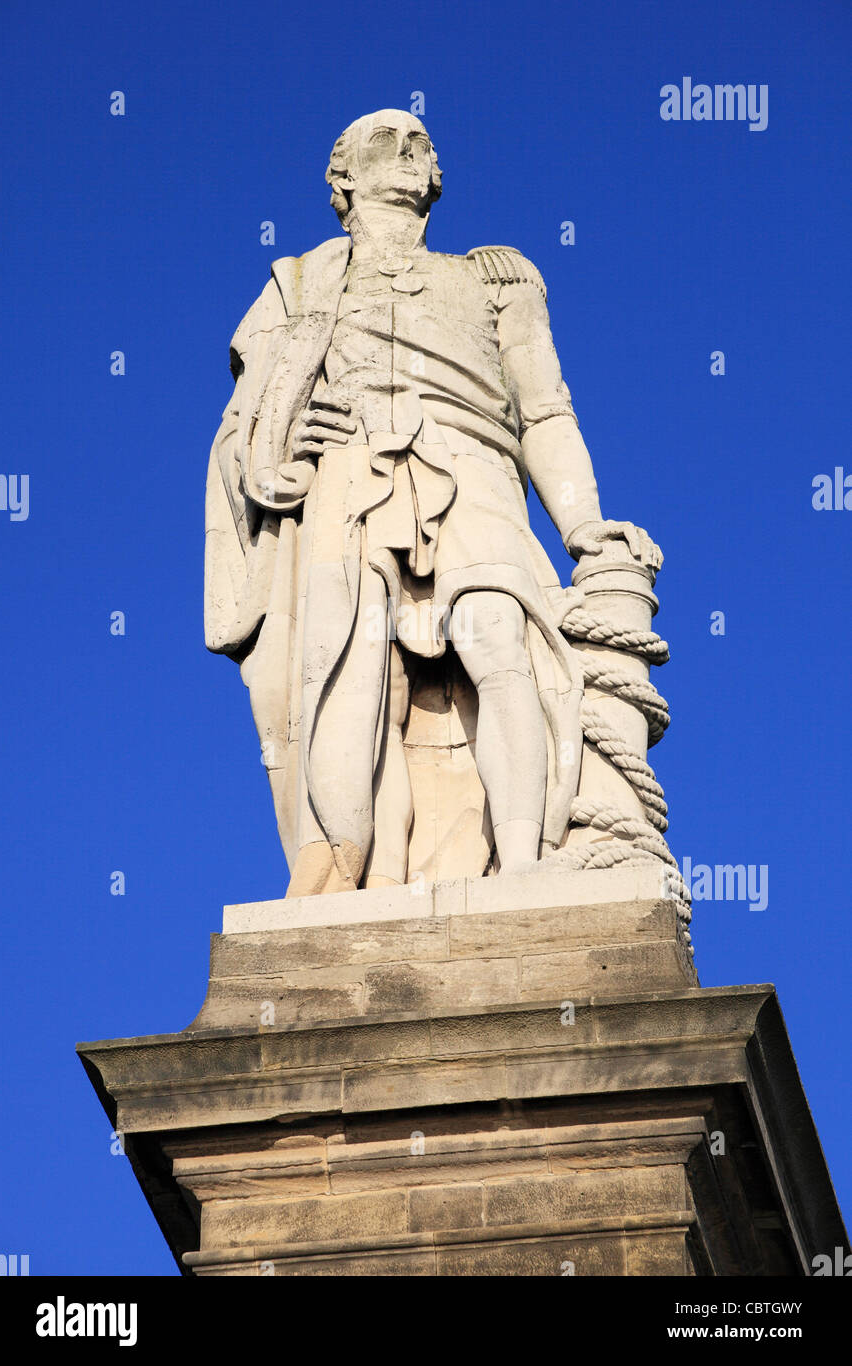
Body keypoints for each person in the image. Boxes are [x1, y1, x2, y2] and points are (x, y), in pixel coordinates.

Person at [204, 109, 660, 896]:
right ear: (341, 179)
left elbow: (546, 411)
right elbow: (246, 423)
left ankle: (522, 865)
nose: (414, 150)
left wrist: (584, 524)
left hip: (473, 465)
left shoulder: (497, 276)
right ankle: (360, 870)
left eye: (423, 142)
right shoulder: (298, 284)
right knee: (357, 671)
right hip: (346, 482)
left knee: (497, 638)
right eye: (389, 141)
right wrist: (281, 444)